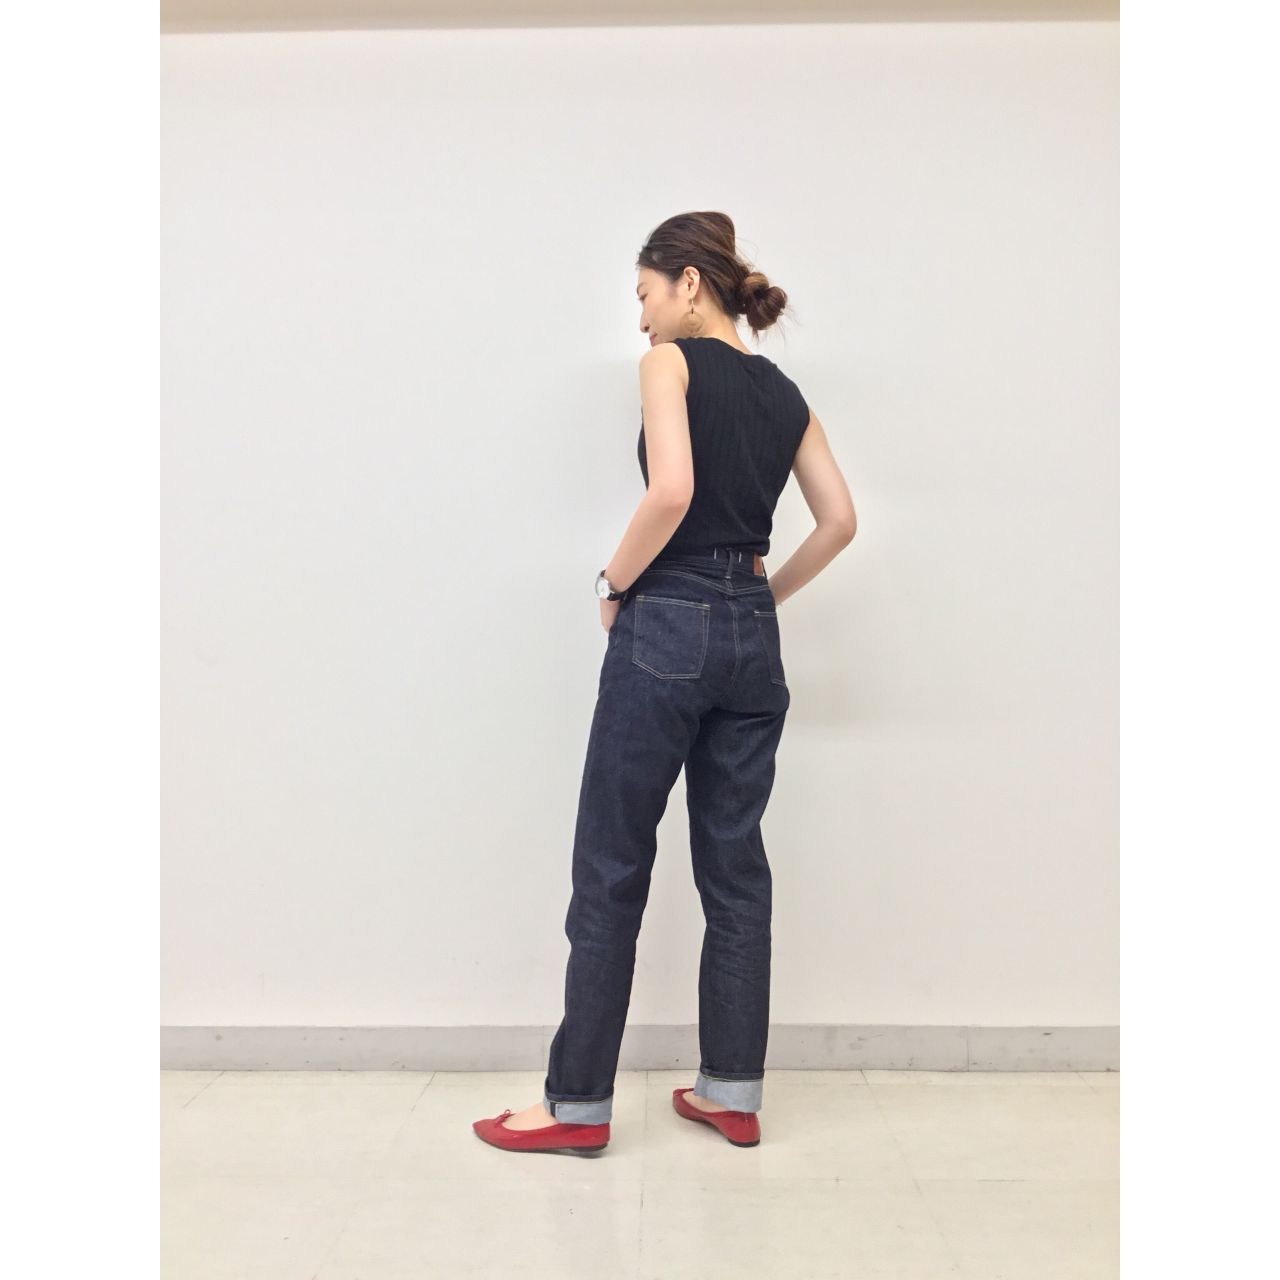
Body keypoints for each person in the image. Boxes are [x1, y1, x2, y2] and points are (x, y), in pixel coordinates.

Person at [473, 211, 857, 1156]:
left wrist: (614, 584)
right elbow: (840, 521)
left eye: (644, 295)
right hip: (752, 638)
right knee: (736, 872)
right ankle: (732, 1091)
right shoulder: (788, 395)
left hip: (667, 619)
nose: (640, 319)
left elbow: (672, 490)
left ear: (689, 283)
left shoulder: (668, 366)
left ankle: (576, 1108)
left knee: (611, 866)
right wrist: (762, 598)